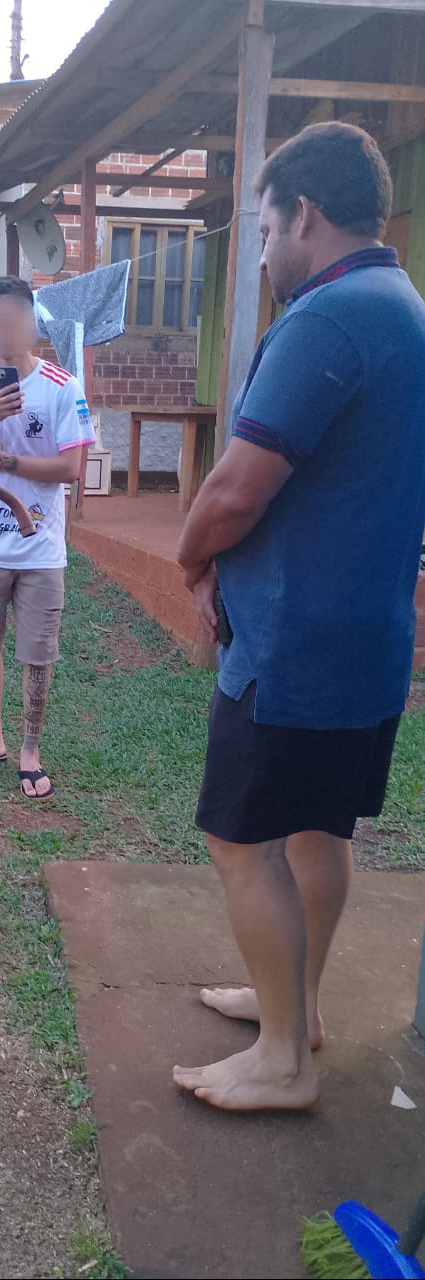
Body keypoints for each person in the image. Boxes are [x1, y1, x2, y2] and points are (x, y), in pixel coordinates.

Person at [175, 123, 425, 1111]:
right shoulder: (402, 306)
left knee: (242, 840)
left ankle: (282, 1058)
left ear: (304, 216)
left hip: (293, 644)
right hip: (364, 637)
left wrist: (191, 553)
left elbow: (235, 488)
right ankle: (297, 1007)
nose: (264, 250)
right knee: (317, 832)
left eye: (265, 227)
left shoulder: (326, 319)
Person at [0, 276, 95, 799]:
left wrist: (5, 460)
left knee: (37, 650)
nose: (4, 332)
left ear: (31, 323)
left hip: (40, 547)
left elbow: (72, 467)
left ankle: (29, 748)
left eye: (13, 321)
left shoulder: (62, 386)